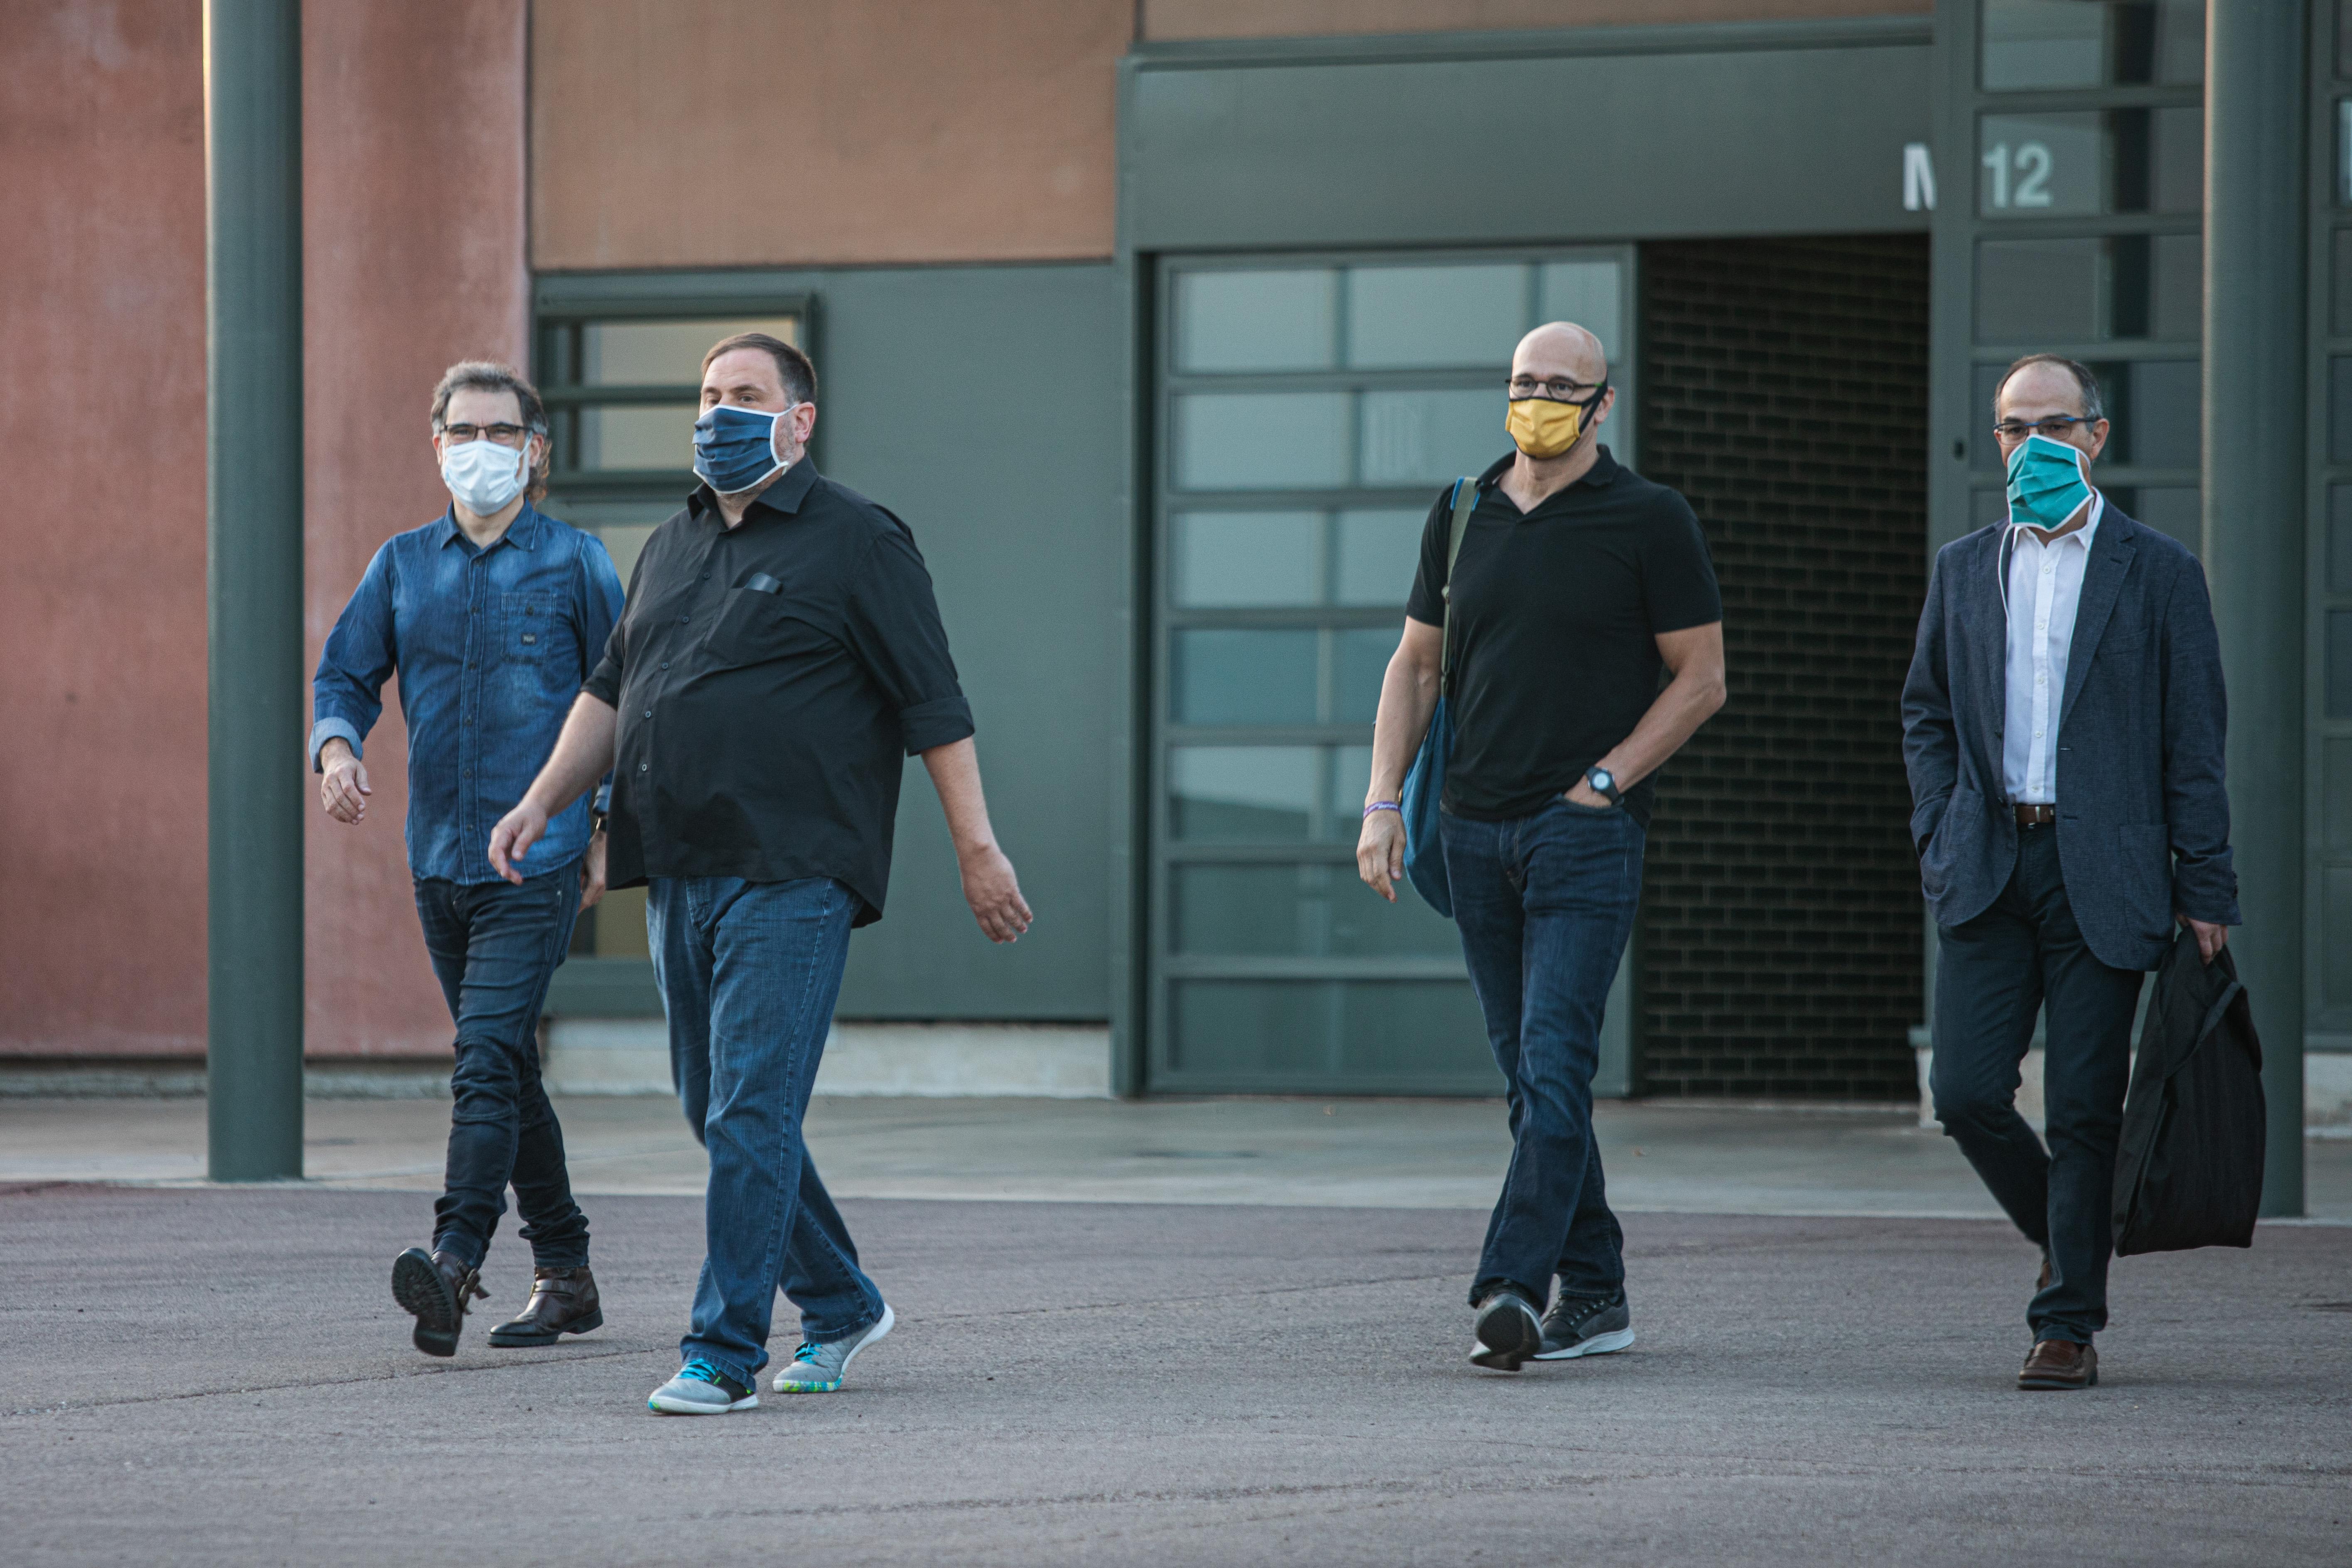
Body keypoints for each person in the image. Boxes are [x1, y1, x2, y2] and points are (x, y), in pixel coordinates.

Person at [488, 332, 1032, 1416]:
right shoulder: (670, 544)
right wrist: (544, 797)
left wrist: (978, 847)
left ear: (799, 419)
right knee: (721, 1106)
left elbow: (935, 704)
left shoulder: (860, 540)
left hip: (795, 869)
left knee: (745, 1107)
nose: (718, 412)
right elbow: (610, 692)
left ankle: (722, 1349)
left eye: (744, 394)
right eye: (706, 394)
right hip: (677, 864)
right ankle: (838, 1300)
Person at [1356, 322, 1726, 1371]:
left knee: (1555, 1060)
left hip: (1583, 838)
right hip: (1471, 831)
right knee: (1529, 1076)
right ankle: (1599, 1292)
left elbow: (1701, 678)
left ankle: (1514, 1287)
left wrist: (1605, 784)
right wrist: (1382, 802)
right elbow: (1415, 668)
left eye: (1562, 386)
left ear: (1601, 405)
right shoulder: (1462, 509)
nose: (1539, 399)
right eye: (1524, 382)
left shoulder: (1649, 520)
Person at [1902, 353, 2236, 1391]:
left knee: (2085, 1107)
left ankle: (2065, 1324)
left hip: (2109, 869)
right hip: (1989, 863)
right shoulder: (1963, 567)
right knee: (1962, 1092)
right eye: (2012, 427)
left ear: (2095, 436)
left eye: (2053, 425)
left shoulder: (2158, 570)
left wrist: (2207, 887)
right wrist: (1937, 830)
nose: (2030, 444)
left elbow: (2194, 741)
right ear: (1995, 441)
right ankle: (2070, 1234)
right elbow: (1924, 712)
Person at [312, 361, 626, 1357]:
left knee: (483, 1058)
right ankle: (567, 1274)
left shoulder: (578, 561)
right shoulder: (402, 565)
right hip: (436, 861)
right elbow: (344, 673)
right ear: (435, 441)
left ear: (534, 448)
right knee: (509, 1069)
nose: (479, 447)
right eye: (463, 429)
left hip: (536, 859)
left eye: (501, 430)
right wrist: (336, 748)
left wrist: (607, 829)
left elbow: (627, 697)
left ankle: (452, 1261)